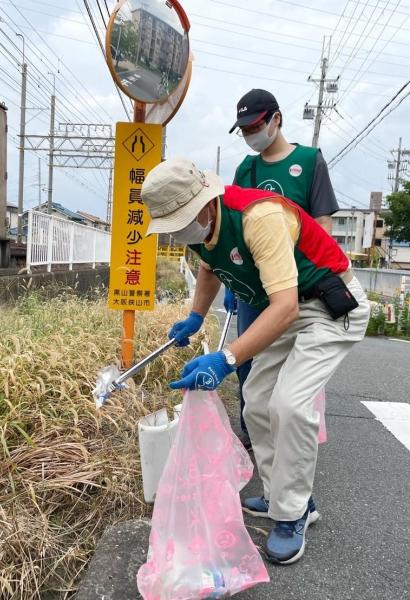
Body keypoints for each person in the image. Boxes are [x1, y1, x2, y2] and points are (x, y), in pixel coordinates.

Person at [141, 156, 370, 565]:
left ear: (206, 202)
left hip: (329, 307)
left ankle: (293, 512)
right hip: (288, 309)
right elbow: (210, 268)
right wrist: (195, 317)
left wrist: (226, 357)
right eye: (171, 224)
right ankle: (285, 494)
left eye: (182, 219)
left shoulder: (258, 216)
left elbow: (284, 309)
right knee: (258, 400)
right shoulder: (202, 225)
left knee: (291, 405)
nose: (180, 231)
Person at [227, 88, 340, 450]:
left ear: (276, 119)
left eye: (255, 126)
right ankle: (253, 431)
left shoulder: (309, 162)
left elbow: (322, 224)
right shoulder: (247, 168)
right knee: (247, 356)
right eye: (243, 130)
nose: (250, 135)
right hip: (254, 282)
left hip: (297, 282)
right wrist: (232, 282)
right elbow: (233, 221)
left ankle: (287, 431)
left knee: (291, 360)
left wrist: (314, 273)